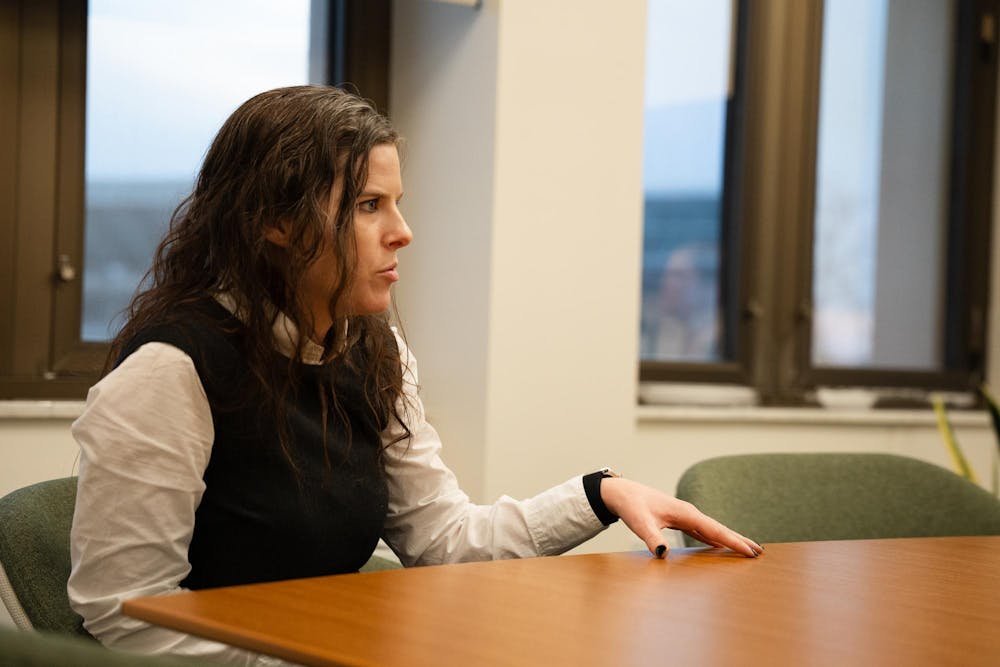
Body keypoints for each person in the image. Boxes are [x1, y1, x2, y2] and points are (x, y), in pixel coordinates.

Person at [68, 86, 761, 665]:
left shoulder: (375, 351)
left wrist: (601, 494)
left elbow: (444, 543)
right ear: (276, 223)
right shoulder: (171, 370)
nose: (402, 231)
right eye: (369, 205)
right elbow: (126, 612)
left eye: (396, 203)